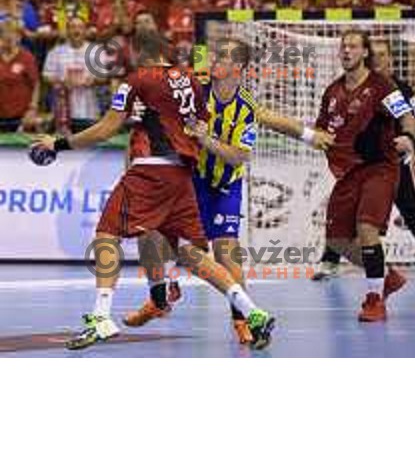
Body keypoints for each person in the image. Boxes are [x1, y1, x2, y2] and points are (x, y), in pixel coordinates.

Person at [29, 29, 275, 350]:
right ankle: (252, 311)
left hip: (151, 170)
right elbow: (197, 123)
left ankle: (101, 317)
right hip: (183, 176)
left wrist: (58, 144)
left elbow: (106, 128)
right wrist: (146, 115)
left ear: (139, 51)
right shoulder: (188, 79)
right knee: (192, 254)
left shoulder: (137, 79)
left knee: (106, 233)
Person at [124, 36, 335, 343]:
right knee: (155, 237)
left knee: (226, 254)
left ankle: (242, 322)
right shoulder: (197, 89)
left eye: (221, 57)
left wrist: (306, 134)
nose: (214, 61)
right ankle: (160, 298)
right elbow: (183, 68)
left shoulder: (246, 107)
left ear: (237, 67)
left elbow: (240, 155)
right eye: (213, 56)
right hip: (190, 180)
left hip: (225, 184)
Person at [312, 39, 415, 281]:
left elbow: (413, 120)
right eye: (375, 55)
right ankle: (331, 260)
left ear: (390, 58)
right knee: (347, 213)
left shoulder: (400, 89)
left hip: (389, 163)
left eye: (383, 55)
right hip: (359, 164)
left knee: (409, 207)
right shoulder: (349, 87)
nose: (378, 60)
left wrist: (409, 140)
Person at [312, 29, 414, 322]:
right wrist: (314, 137)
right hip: (348, 172)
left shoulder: (382, 86)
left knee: (366, 229)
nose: (346, 51)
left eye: (353, 47)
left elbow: (406, 117)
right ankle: (386, 276)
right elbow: (322, 129)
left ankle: (374, 299)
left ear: (365, 52)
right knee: (338, 240)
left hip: (380, 166)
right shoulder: (332, 91)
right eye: (343, 47)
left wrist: (408, 136)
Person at [43, 17, 102, 133]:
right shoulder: (56, 52)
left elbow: (105, 77)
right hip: (63, 112)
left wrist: (93, 80)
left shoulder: (96, 51)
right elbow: (46, 76)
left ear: (85, 31)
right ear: (67, 31)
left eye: (80, 27)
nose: (76, 30)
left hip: (90, 110)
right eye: (72, 27)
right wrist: (61, 81)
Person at [0, 17, 40, 132]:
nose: (9, 36)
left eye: (13, 33)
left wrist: (32, 109)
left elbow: (36, 84)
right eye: (5, 32)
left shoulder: (26, 57)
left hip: (21, 119)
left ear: (19, 36)